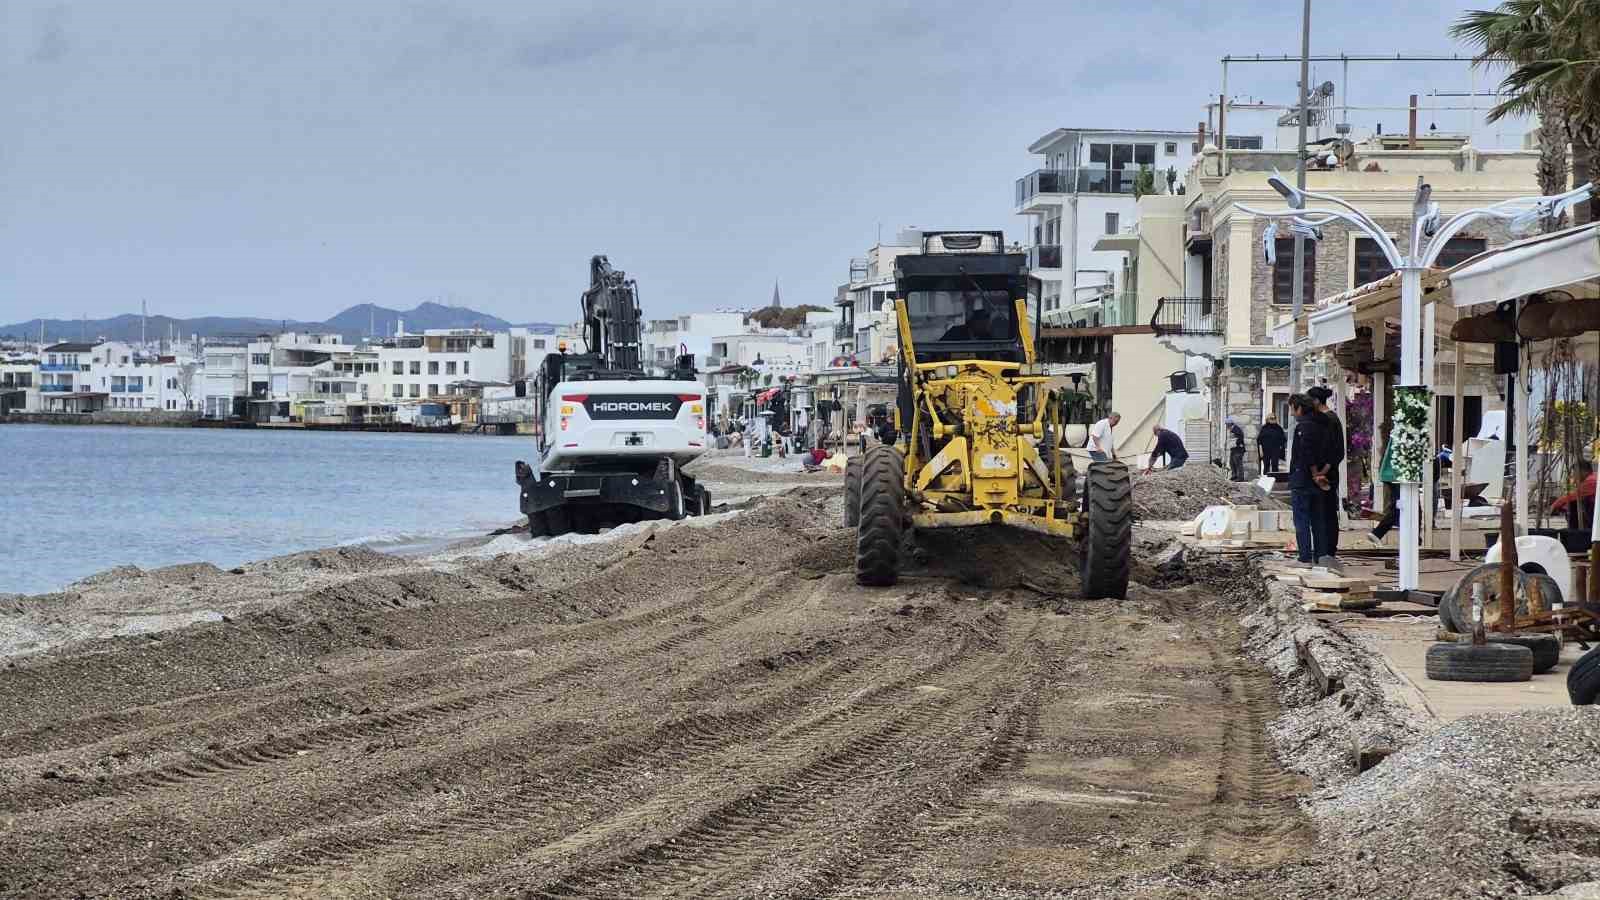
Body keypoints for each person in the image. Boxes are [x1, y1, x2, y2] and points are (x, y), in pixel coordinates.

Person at [1287, 394, 1331, 566]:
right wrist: (1323, 472)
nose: (1291, 414)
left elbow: (1306, 452)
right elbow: (1333, 452)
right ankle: (1320, 556)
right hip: (1321, 479)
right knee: (1318, 519)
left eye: (1292, 409)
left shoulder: (1303, 428)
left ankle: (1304, 556)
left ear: (1299, 409)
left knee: (1302, 519)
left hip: (1304, 479)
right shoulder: (1325, 425)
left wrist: (1314, 473)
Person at [1308, 385, 1346, 564]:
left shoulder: (1329, 420)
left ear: (1316, 401)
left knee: (1326, 512)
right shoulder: (1329, 419)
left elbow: (1335, 451)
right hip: (1325, 474)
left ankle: (1327, 550)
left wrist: (1321, 473)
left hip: (1327, 476)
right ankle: (1325, 550)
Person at [1552, 459, 1597, 530]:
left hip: (1594, 514)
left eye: (1575, 472)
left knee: (1573, 504)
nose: (1574, 475)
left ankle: (1578, 530)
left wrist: (1555, 505)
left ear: (1583, 471)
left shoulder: (1591, 481)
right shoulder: (1591, 478)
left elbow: (1574, 495)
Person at [1226, 417, 1246, 481]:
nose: (1226, 426)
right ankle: (1234, 476)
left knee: (1238, 463)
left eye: (1227, 424)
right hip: (1234, 449)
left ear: (1230, 424)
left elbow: (1240, 438)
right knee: (1232, 462)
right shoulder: (1232, 429)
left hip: (1238, 449)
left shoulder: (1236, 429)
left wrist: (1235, 443)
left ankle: (1240, 477)